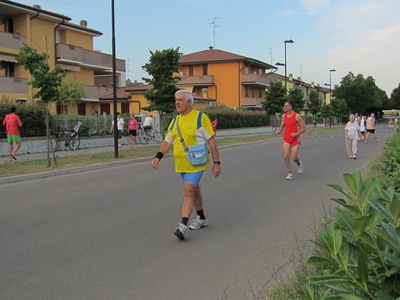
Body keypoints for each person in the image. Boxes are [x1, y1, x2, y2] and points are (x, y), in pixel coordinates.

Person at [151, 90, 221, 241]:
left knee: (188, 191)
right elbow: (168, 141)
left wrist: (216, 163)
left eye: (180, 100)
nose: (177, 102)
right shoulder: (175, 121)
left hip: (196, 162)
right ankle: (202, 218)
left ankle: (182, 227)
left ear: (189, 102)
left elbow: (211, 141)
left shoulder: (200, 118)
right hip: (181, 163)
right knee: (194, 190)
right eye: (176, 100)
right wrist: (158, 156)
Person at [275, 100, 307, 180]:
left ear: (290, 107)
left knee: (293, 157)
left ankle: (299, 163)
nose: (284, 107)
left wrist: (296, 133)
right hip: (286, 138)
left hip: (295, 139)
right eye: (284, 106)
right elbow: (282, 126)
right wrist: (279, 130)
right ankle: (289, 173)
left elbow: (304, 128)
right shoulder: (284, 116)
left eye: (286, 106)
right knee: (286, 156)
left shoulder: (296, 116)